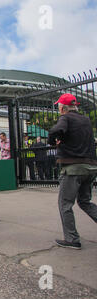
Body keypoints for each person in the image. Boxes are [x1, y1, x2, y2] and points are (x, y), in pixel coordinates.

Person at [48, 93, 97, 250]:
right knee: (84, 201)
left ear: (62, 107)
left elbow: (56, 131)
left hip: (73, 168)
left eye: (59, 107)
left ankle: (72, 239)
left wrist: (53, 140)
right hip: (90, 167)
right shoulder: (86, 120)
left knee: (65, 204)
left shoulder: (66, 118)